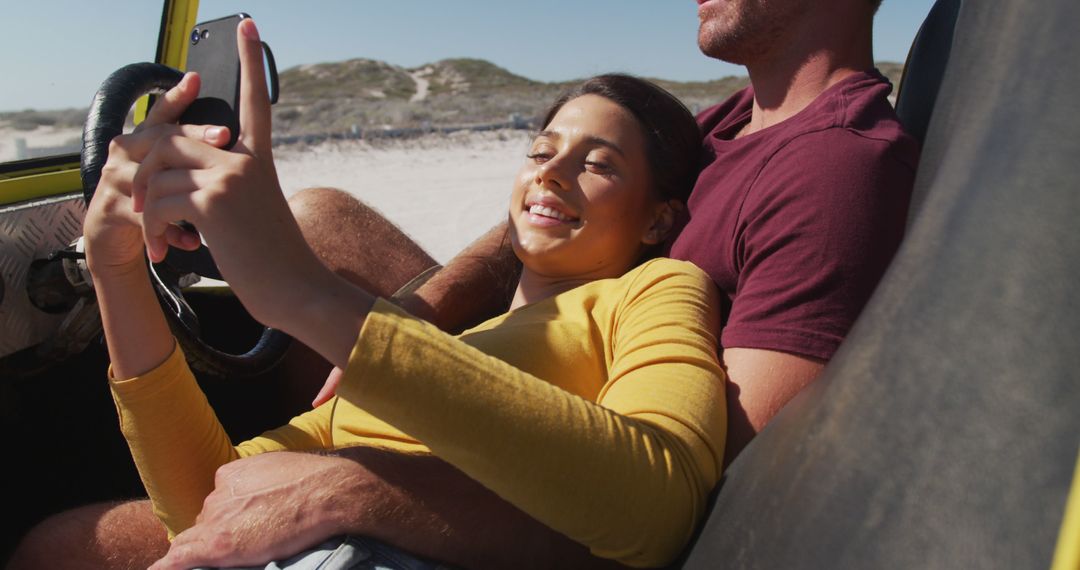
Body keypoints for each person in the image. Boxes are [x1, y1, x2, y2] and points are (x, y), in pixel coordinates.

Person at [12, 0, 919, 568]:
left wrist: (361, 479)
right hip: (476, 386)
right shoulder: (717, 125)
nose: (552, 173)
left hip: (526, 490)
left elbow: (722, 508)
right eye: (538, 150)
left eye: (598, 162)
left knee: (61, 546)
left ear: (656, 216)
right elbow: (200, 488)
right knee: (323, 215)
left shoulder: (824, 173)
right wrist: (118, 269)